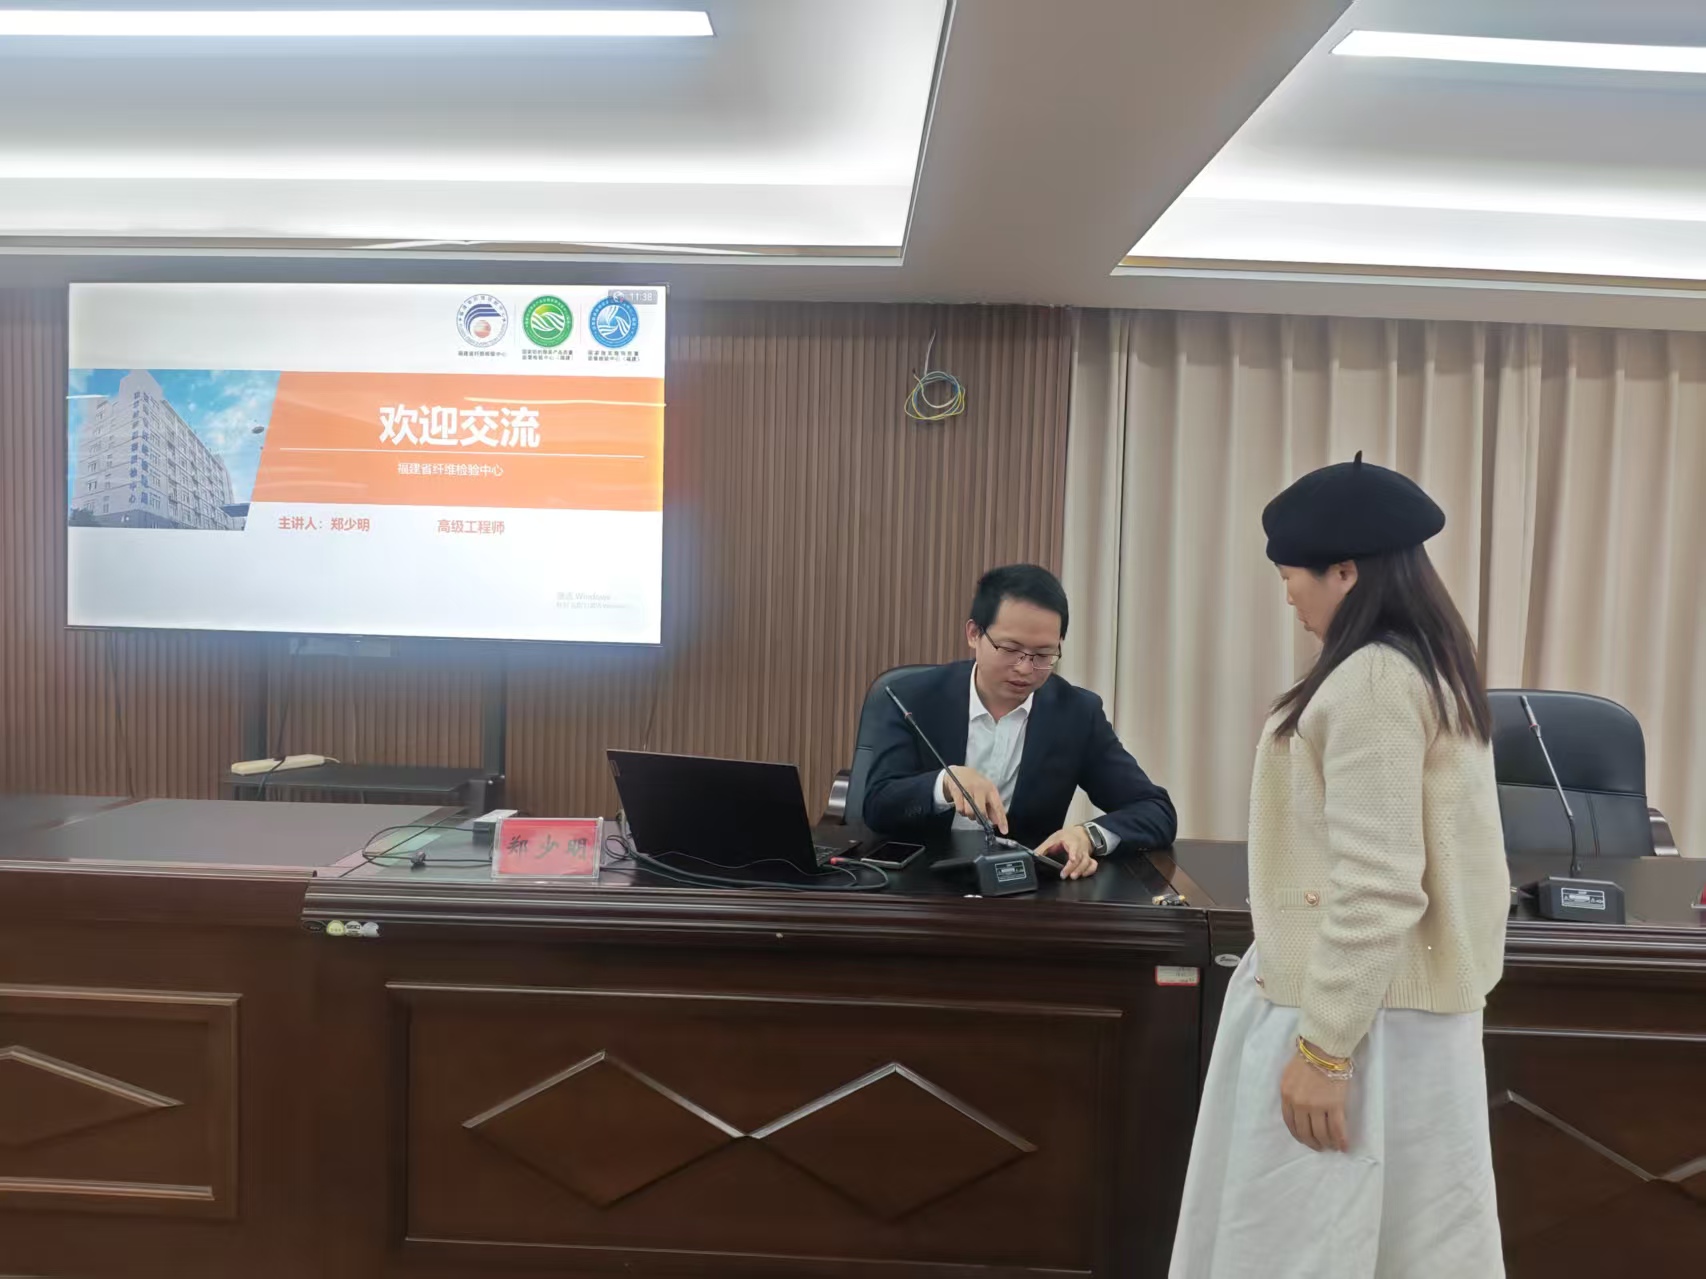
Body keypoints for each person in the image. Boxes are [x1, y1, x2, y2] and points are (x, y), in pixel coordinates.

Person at [1170, 455, 1511, 1278]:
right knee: (1408, 1245)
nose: (1289, 595)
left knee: (1304, 1245)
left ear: (1346, 571)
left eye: (1293, 575)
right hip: (1393, 1015)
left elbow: (1380, 882)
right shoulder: (1426, 666)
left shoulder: (1373, 681)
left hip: (1359, 1018)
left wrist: (1324, 1050)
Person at [862, 564, 1176, 878]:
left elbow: (1155, 810)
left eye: (1043, 655)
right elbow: (877, 805)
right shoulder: (911, 697)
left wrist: (1087, 835)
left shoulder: (1076, 714)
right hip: (915, 882)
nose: (1025, 669)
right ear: (974, 634)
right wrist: (943, 784)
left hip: (1020, 885)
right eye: (1010, 649)